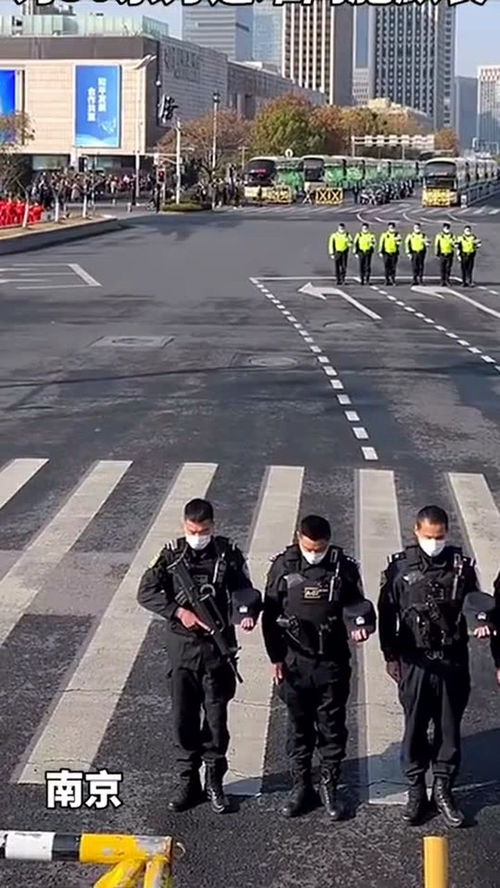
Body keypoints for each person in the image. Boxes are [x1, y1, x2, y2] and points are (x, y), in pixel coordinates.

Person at [137, 498, 261, 814]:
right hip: (183, 650)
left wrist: (245, 614)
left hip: (217, 651)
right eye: (193, 530)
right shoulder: (170, 555)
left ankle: (215, 783)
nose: (198, 535)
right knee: (183, 720)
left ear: (213, 526)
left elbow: (245, 591)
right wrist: (179, 612)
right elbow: (146, 592)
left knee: (217, 722)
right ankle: (188, 783)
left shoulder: (228, 554)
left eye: (203, 530)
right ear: (184, 526)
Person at [378, 505, 488, 829]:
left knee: (448, 728)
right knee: (414, 728)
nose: (434, 542)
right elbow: (387, 613)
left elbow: (473, 602)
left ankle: (443, 789)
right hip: (415, 661)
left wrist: (479, 622)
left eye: (440, 537)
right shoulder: (399, 568)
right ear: (416, 531)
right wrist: (389, 655)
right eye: (429, 537)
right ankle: (416, 792)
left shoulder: (461, 567)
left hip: (452, 659)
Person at [262, 514, 375, 820]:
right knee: (298, 728)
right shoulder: (282, 567)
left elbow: (358, 607)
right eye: (309, 547)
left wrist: (359, 627)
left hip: (332, 661)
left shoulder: (344, 567)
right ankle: (301, 787)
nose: (315, 553)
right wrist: (275, 658)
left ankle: (329, 786)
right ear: (299, 538)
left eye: (320, 548)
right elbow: (270, 615)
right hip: (295, 661)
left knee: (332, 727)